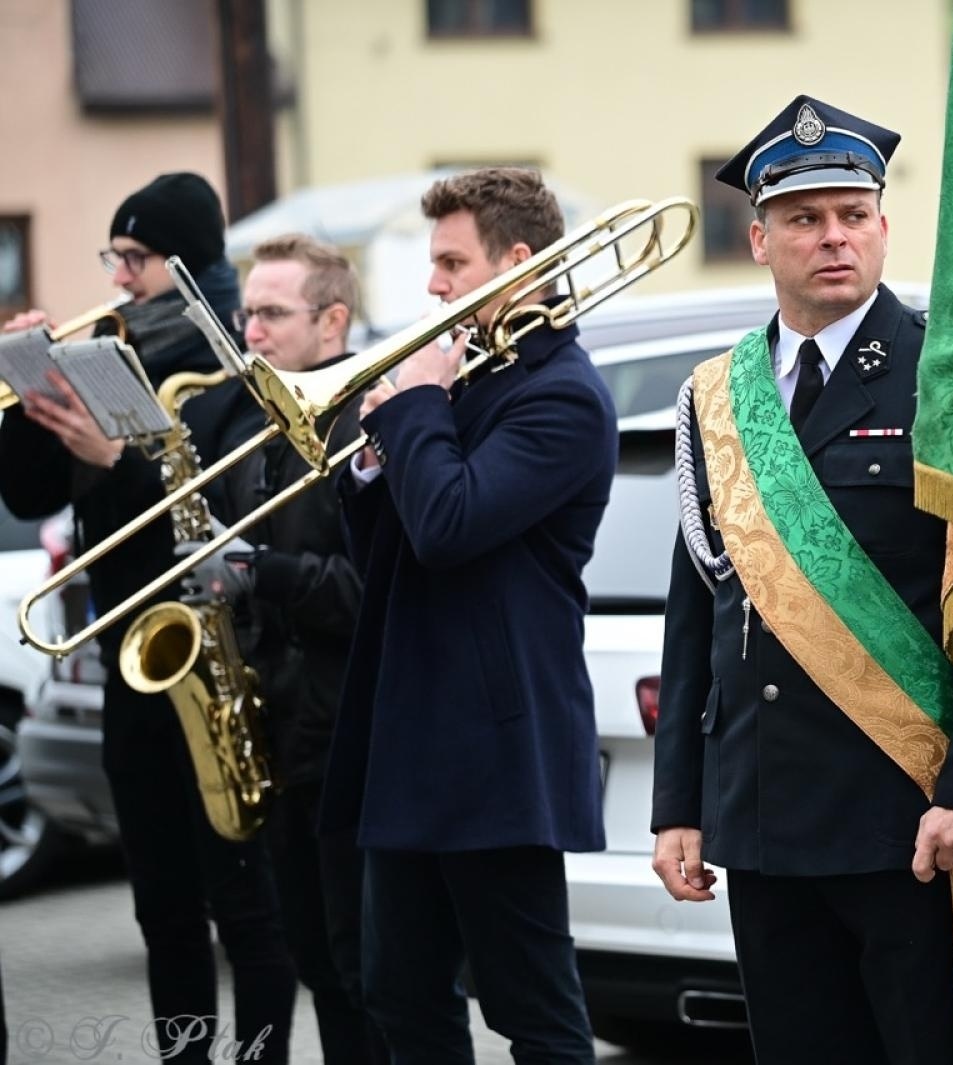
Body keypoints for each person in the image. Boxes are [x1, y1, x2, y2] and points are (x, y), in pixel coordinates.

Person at [650, 95, 953, 1065]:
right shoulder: (714, 395)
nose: (832, 238)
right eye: (805, 220)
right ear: (759, 237)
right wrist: (678, 806)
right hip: (763, 815)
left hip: (905, 811)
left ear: (885, 228)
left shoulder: (952, 380)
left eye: (853, 215)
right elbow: (702, 605)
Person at [0, 172, 295, 1064]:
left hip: (215, 660)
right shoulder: (106, 353)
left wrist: (118, 462)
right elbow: (29, 490)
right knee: (161, 906)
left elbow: (217, 515)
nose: (120, 275)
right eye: (115, 256)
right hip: (131, 665)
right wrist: (25, 397)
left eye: (138, 257)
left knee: (245, 903)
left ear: (188, 261)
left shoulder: (230, 368)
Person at [322, 166, 615, 1065]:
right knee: (398, 995)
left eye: (451, 262)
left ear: (517, 263)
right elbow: (395, 546)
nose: (434, 285)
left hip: (495, 752)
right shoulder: (471, 375)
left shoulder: (560, 393)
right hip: (412, 738)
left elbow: (450, 524)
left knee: (534, 1011)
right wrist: (372, 463)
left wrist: (412, 406)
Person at [207, 233, 387, 1063]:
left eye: (273, 313)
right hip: (281, 731)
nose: (252, 330)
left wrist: (263, 572)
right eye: (249, 312)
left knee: (363, 968)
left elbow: (371, 593)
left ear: (334, 319)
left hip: (349, 737)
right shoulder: (264, 427)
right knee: (315, 958)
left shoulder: (362, 422)